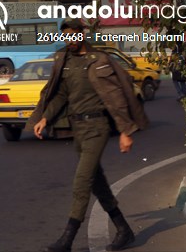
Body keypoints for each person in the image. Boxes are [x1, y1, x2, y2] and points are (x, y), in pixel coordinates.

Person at [28, 19, 149, 252]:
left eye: (72, 36)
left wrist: (125, 131)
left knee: (82, 181)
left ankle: (67, 239)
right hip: (78, 129)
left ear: (82, 35)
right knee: (97, 184)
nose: (69, 41)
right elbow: (60, 94)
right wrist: (45, 118)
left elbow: (116, 96)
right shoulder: (64, 60)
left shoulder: (100, 61)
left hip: (97, 127)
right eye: (65, 37)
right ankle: (124, 230)